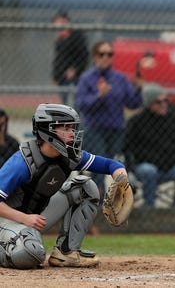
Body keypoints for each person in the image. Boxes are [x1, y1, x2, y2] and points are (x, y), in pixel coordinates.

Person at [0, 104, 130, 269]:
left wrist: (122, 180)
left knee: (86, 187)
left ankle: (66, 252)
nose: (73, 133)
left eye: (73, 128)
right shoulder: (23, 162)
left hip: (34, 220)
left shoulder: (69, 155)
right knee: (30, 253)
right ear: (48, 130)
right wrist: (24, 218)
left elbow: (110, 164)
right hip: (7, 221)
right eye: (66, 128)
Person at [76, 40, 143, 194]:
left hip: (116, 130)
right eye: (102, 54)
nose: (106, 57)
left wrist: (138, 89)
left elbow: (132, 103)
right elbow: (82, 105)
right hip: (94, 129)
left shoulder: (119, 78)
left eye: (109, 54)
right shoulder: (87, 78)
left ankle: (104, 200)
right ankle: (98, 204)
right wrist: (99, 96)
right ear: (95, 56)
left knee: (111, 165)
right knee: (100, 166)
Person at [124, 83, 175, 208]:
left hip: (171, 166)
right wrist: (153, 159)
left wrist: (172, 160)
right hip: (145, 166)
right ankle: (150, 209)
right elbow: (130, 148)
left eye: (165, 100)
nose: (163, 104)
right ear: (149, 104)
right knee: (149, 171)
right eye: (158, 102)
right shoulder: (136, 122)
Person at [51, 10, 89, 104]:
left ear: (66, 21)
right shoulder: (60, 39)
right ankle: (69, 118)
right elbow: (58, 59)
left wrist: (75, 69)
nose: (57, 25)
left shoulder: (76, 36)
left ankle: (76, 118)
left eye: (59, 22)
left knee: (76, 103)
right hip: (62, 77)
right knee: (65, 103)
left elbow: (84, 56)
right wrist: (55, 75)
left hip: (75, 77)